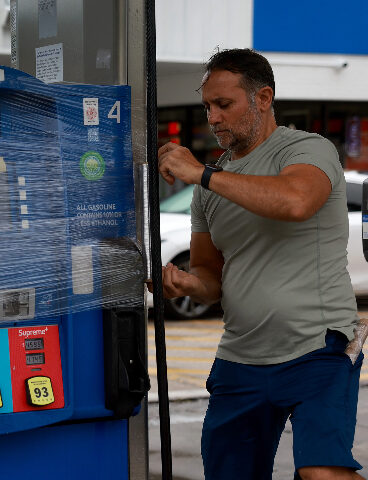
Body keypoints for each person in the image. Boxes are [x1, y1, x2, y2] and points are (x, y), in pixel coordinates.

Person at [156, 48, 365, 480]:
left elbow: (295, 202)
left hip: (317, 347)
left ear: (263, 98)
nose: (213, 118)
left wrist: (201, 174)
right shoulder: (208, 189)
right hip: (241, 357)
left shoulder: (307, 149)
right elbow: (210, 276)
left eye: (224, 105)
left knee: (322, 472)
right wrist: (187, 285)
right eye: (208, 106)